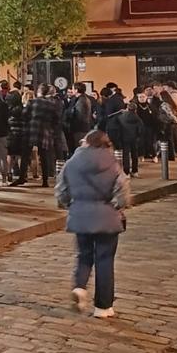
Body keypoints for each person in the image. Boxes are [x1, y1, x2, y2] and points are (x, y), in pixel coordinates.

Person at [55, 130, 130, 319]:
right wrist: (116, 206)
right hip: (107, 217)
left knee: (84, 256)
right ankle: (103, 307)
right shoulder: (112, 163)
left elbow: (62, 191)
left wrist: (72, 205)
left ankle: (80, 287)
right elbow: (122, 192)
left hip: (81, 214)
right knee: (105, 260)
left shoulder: (72, 163)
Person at [24, 86, 63, 187]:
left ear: (38, 91)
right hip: (45, 131)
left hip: (32, 129)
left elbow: (25, 115)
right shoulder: (51, 104)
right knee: (44, 156)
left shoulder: (32, 102)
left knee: (26, 154)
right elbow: (57, 119)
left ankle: (22, 177)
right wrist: (50, 127)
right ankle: (45, 180)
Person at [106, 102, 143, 177]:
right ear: (135, 109)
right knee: (134, 154)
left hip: (124, 138)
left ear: (127, 108)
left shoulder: (121, 117)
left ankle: (126, 172)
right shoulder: (138, 119)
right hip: (134, 139)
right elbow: (140, 129)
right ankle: (135, 171)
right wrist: (138, 136)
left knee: (126, 155)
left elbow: (117, 126)